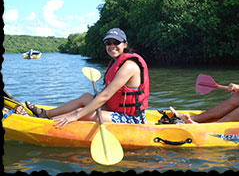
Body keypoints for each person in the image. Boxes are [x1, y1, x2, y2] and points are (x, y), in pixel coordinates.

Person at [22, 28, 150, 128]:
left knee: (82, 112)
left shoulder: (129, 66)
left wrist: (76, 115)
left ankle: (44, 124)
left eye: (116, 42)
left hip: (131, 118)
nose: (112, 46)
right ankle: (45, 114)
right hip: (116, 110)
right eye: (108, 43)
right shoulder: (116, 62)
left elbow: (105, 96)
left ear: (125, 44)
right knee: (86, 97)